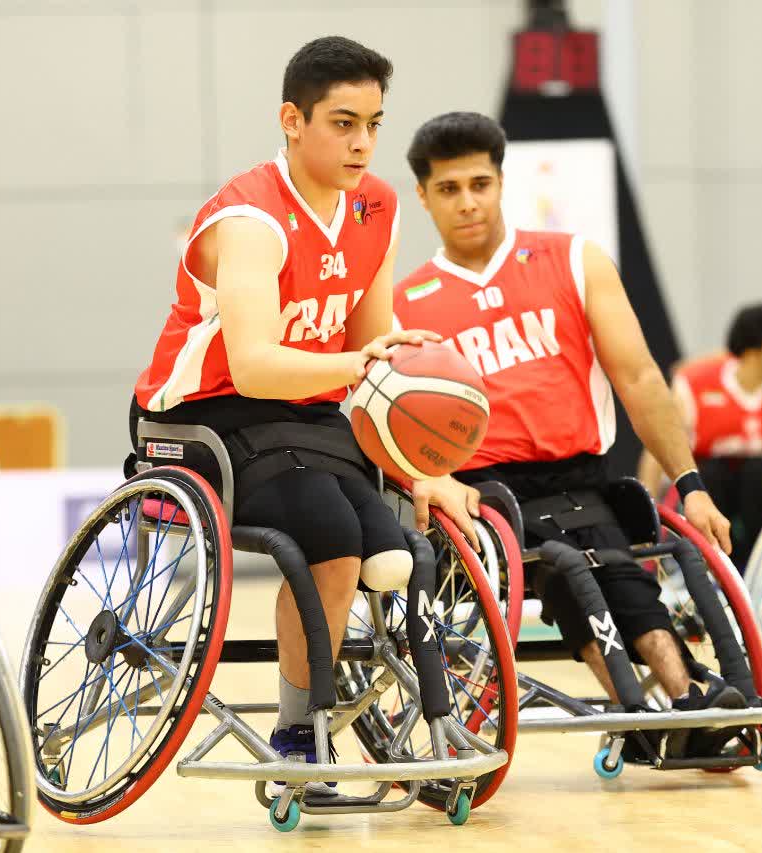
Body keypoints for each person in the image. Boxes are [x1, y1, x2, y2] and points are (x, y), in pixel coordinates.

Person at [130, 37, 469, 781]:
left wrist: (423, 462)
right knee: (331, 538)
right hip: (204, 415)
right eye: (343, 123)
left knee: (395, 553)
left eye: (373, 124)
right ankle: (298, 733)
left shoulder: (377, 207)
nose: (363, 143)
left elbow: (374, 346)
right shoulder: (250, 219)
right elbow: (254, 364)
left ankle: (403, 712)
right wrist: (362, 364)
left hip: (305, 415)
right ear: (292, 120)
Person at [391, 111, 744, 751]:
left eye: (479, 184)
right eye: (449, 189)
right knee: (567, 567)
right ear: (423, 196)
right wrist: (431, 477)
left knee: (622, 573)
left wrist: (691, 485)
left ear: (501, 182)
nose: (467, 202)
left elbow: (640, 377)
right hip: (485, 496)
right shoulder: (403, 303)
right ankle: (645, 717)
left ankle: (687, 699)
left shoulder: (574, 260)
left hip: (581, 476)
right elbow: (386, 422)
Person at [641, 304, 762, 568]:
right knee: (712, 473)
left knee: (757, 470)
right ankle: (715, 565)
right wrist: (644, 518)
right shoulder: (695, 385)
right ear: (753, 355)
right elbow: (656, 450)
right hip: (712, 492)